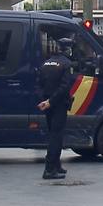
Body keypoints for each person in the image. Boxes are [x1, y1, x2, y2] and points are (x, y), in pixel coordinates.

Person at [36, 37, 77, 180]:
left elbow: (39, 83)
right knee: (56, 136)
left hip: (47, 104)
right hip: (58, 104)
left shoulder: (46, 63)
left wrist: (45, 101)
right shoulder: (66, 64)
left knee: (53, 133)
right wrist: (52, 101)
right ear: (67, 49)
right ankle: (49, 169)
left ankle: (57, 165)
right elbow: (65, 87)